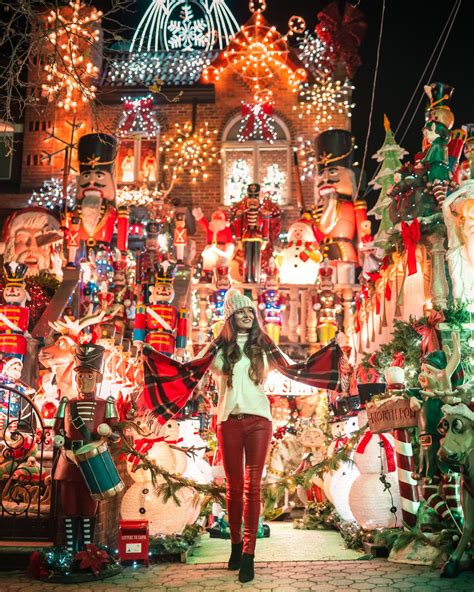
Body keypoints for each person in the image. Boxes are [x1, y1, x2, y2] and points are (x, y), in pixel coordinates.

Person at [139, 288, 344, 583]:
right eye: (240, 312)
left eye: (250, 311)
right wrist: (152, 356)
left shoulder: (265, 346)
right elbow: (187, 370)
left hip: (260, 420)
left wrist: (330, 352)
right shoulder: (218, 348)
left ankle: (249, 554)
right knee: (234, 489)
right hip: (229, 422)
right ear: (231, 318)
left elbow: (296, 368)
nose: (247, 315)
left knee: (253, 488)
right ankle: (235, 545)